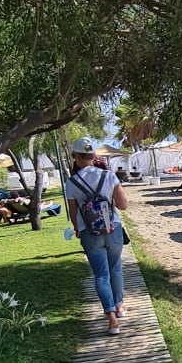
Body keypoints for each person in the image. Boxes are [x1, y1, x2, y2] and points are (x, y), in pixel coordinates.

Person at [65, 136, 129, 335]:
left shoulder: (71, 182)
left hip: (89, 232)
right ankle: (119, 307)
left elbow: (73, 212)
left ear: (76, 157)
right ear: (93, 155)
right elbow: (123, 205)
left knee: (101, 274)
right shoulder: (108, 176)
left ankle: (111, 319)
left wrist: (77, 228)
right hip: (112, 228)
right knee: (115, 269)